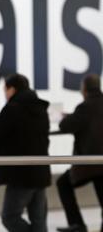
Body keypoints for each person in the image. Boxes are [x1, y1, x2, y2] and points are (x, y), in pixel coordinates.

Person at [0, 73, 51, 232]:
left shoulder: (14, 108)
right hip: (40, 171)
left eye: (5, 90)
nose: (5, 94)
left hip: (21, 174)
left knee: (10, 217)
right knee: (39, 220)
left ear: (12, 89)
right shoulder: (40, 108)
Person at [56, 74, 103, 232]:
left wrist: (68, 117)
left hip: (90, 165)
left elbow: (65, 126)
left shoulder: (85, 107)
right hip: (100, 164)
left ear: (84, 89)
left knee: (63, 183)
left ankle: (77, 225)